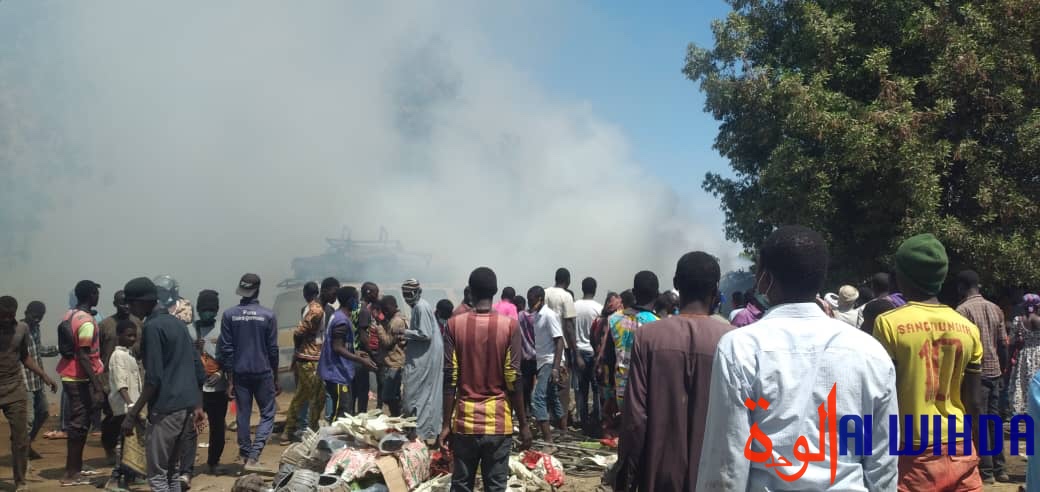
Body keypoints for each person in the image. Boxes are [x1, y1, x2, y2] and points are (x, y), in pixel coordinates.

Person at [697, 226, 897, 491]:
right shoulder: (872, 353)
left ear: (763, 278)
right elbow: (884, 458)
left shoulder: (740, 348)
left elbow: (727, 460)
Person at [873, 234, 983, 491]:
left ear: (902, 276)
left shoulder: (888, 324)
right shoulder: (968, 328)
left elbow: (880, 397)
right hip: (961, 446)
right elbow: (975, 403)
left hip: (913, 451)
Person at [615, 252, 733, 491]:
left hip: (658, 476)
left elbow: (635, 420)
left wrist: (626, 475)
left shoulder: (648, 338)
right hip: (714, 477)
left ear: (676, 283)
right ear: (716, 288)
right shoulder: (733, 340)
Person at [440, 267, 532, 491]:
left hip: (464, 423)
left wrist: (445, 424)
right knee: (495, 485)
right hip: (498, 424)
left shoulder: (453, 324)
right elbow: (513, 377)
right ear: (495, 291)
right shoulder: (509, 326)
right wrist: (524, 423)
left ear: (470, 291)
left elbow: (450, 377)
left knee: (461, 484)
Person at [120, 277, 206, 492]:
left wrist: (132, 414)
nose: (130, 309)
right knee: (172, 472)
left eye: (131, 304)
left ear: (143, 302)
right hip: (186, 407)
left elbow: (153, 378)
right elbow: (198, 369)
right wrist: (197, 405)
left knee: (157, 475)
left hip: (166, 409)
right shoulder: (178, 323)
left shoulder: (152, 327)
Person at [218, 273, 279, 472]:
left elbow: (226, 349)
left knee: (243, 415)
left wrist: (229, 380)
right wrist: (276, 376)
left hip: (240, 373)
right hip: (263, 371)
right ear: (258, 290)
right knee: (268, 414)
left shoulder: (229, 315)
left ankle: (245, 455)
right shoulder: (268, 315)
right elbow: (272, 349)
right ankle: (254, 457)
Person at [955, 269, 1009, 484]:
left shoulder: (961, 311)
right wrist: (1002, 369)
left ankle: (986, 472)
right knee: (995, 420)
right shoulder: (995, 309)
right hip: (995, 371)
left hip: (974, 375)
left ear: (960, 287)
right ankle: (1001, 468)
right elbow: (1003, 344)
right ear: (978, 285)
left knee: (979, 422)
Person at [0, 296, 56, 491]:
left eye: (10, 315)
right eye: (3, 315)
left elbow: (25, 356)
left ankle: (20, 481)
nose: (7, 319)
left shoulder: (21, 330)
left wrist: (45, 376)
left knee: (21, 438)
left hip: (14, 389)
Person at [58, 280, 107, 486]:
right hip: (80, 377)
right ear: (91, 295)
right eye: (96, 293)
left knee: (79, 423)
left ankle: (76, 467)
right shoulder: (86, 322)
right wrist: (97, 385)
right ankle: (71, 473)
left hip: (69, 373)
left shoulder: (70, 315)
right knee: (79, 425)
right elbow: (84, 355)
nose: (98, 296)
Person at [318, 287, 377, 420]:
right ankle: (331, 439)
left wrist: (357, 352)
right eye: (356, 299)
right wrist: (360, 360)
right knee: (341, 412)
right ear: (350, 301)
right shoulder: (342, 321)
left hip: (338, 372)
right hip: (337, 373)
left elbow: (342, 346)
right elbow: (337, 347)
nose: (358, 302)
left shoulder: (338, 316)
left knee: (343, 410)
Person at [604, 272, 660, 409]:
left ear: (634, 292)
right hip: (647, 395)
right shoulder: (658, 325)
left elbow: (609, 360)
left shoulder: (614, 319)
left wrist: (609, 394)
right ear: (657, 294)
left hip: (621, 393)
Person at [98, 290, 142, 464]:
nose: (125, 306)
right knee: (112, 418)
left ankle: (128, 458)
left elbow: (142, 350)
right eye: (121, 303)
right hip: (110, 378)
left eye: (128, 303)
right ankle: (110, 449)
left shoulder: (138, 323)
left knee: (131, 418)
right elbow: (98, 353)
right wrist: (99, 383)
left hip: (133, 374)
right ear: (115, 303)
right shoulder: (105, 325)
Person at [401, 279, 445, 441]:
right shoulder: (419, 307)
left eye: (409, 294)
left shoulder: (421, 307)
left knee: (416, 395)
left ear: (417, 292)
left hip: (425, 358)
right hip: (423, 356)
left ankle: (421, 431)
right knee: (421, 396)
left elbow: (425, 333)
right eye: (404, 294)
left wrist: (404, 333)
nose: (406, 298)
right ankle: (419, 430)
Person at [283, 282, 324, 443]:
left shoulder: (308, 308)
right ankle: (312, 431)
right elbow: (299, 332)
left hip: (308, 357)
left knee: (301, 396)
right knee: (316, 396)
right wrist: (298, 350)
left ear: (305, 294)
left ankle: (289, 430)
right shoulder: (315, 310)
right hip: (310, 358)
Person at [194, 290, 229, 475]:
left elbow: (230, 356)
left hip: (218, 388)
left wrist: (222, 373)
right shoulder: (191, 329)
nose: (207, 313)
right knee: (192, 428)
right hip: (197, 390)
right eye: (203, 309)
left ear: (216, 310)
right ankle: (187, 465)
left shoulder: (223, 329)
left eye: (210, 309)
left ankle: (213, 462)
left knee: (217, 428)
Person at [105, 319, 142, 490]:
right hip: (124, 406)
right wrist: (131, 403)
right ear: (119, 336)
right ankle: (116, 478)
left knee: (130, 443)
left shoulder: (128, 354)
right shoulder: (118, 356)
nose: (132, 338)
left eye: (134, 335)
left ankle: (130, 476)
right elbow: (121, 384)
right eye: (129, 335)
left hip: (132, 405)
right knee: (124, 443)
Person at [528, 286, 564, 445]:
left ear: (540, 299)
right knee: (552, 396)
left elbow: (560, 341)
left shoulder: (549, 315)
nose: (530, 303)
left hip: (549, 361)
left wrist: (556, 367)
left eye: (532, 300)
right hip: (541, 361)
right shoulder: (536, 316)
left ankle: (548, 440)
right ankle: (563, 432)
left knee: (538, 398)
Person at [22, 300, 57, 460]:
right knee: (28, 419)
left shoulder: (36, 328)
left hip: (37, 380)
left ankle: (26, 444)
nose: (37, 320)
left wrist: (58, 349)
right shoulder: (19, 329)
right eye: (35, 316)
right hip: (23, 381)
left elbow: (38, 350)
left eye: (40, 317)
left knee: (43, 412)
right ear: (26, 313)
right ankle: (21, 453)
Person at [544, 268, 578, 430]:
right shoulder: (566, 296)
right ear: (568, 280)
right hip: (561, 348)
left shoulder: (543, 293)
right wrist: (575, 352)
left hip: (543, 348)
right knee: (563, 388)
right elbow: (569, 326)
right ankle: (562, 426)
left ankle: (547, 422)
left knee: (546, 386)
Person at [573, 277, 602, 436]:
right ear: (595, 289)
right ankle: (597, 419)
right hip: (593, 352)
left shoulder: (574, 306)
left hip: (577, 352)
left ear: (582, 288)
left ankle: (582, 420)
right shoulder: (598, 308)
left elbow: (568, 329)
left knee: (581, 390)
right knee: (596, 388)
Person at [374, 296, 407, 416]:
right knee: (393, 395)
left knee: (388, 396)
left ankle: (398, 416)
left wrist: (378, 326)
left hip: (395, 363)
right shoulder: (395, 319)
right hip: (394, 362)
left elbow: (387, 342)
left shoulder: (396, 321)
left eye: (384, 309)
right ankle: (397, 417)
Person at [1011, 294, 1040, 416]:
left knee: (1022, 382)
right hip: (1038, 353)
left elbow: (1012, 340)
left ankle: (1022, 411)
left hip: (1024, 354)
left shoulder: (1018, 320)